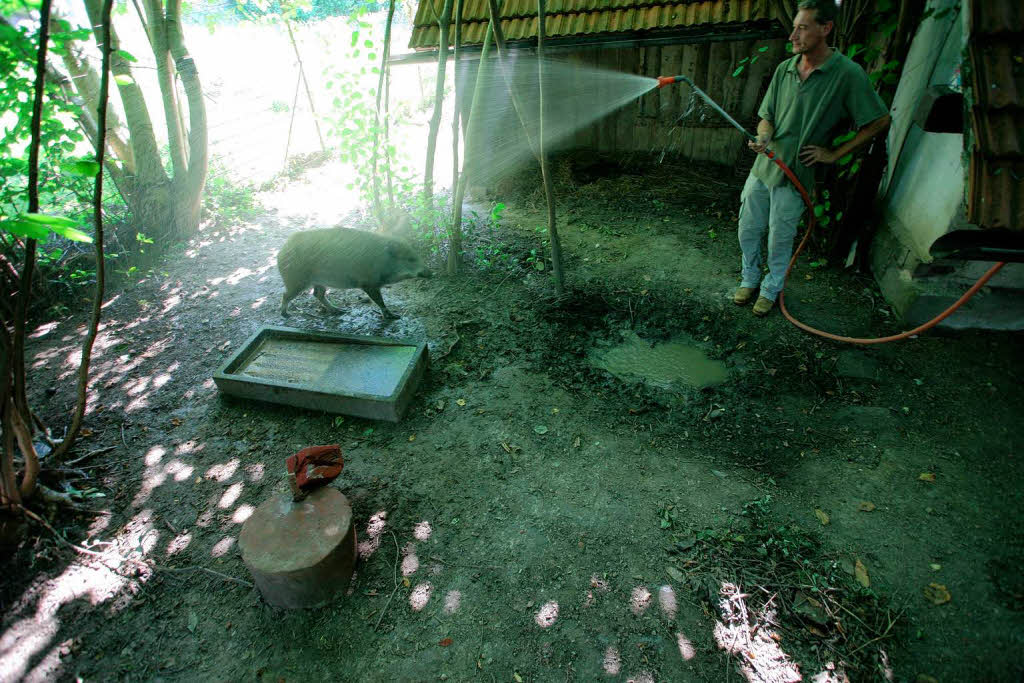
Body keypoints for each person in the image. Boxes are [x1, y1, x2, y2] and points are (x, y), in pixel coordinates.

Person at [734, 0, 891, 316]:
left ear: (826, 28)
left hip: (798, 173)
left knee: (780, 236)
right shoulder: (785, 69)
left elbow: (879, 121)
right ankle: (749, 278)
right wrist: (764, 135)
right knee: (748, 227)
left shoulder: (847, 74)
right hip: (765, 166)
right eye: (794, 27)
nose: (793, 35)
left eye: (802, 28)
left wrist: (833, 154)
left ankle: (770, 288)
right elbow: (767, 116)